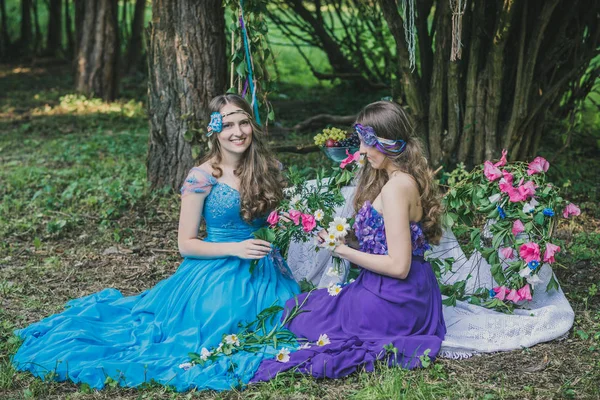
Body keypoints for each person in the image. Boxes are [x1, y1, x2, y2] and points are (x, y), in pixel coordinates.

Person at [12, 94, 300, 392]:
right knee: (220, 319)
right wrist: (235, 248)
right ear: (214, 130)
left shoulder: (270, 168)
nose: (237, 132)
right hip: (217, 268)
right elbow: (186, 244)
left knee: (286, 315)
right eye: (227, 125)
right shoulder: (201, 177)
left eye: (243, 123)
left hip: (265, 268)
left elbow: (281, 218)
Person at [253, 100, 446, 381]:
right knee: (308, 305)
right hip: (403, 292)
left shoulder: (395, 189)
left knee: (301, 315)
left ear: (390, 142)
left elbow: (399, 266)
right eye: (361, 142)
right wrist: (342, 239)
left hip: (395, 300)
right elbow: (389, 243)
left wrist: (341, 250)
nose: (362, 151)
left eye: (369, 143)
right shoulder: (401, 179)